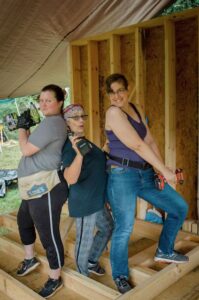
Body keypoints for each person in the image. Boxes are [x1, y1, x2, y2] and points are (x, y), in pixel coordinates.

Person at [105, 73, 189, 294]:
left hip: (145, 174)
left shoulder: (136, 108)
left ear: (128, 88)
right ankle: (120, 276)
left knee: (179, 207)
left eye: (120, 90)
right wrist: (164, 171)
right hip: (123, 175)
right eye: (111, 92)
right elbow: (137, 146)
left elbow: (149, 140)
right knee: (124, 228)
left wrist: (161, 170)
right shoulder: (113, 113)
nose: (116, 96)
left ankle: (164, 250)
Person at [16, 84, 68, 298]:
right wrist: (27, 129)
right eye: (42, 100)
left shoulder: (54, 122)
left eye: (49, 100)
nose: (43, 104)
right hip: (32, 186)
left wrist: (20, 128)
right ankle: (30, 259)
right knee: (23, 221)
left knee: (48, 234)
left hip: (45, 187)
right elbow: (33, 145)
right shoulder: (48, 123)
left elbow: (26, 149)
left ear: (60, 103)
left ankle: (55, 277)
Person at [62, 104, 113, 277]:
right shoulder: (70, 146)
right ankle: (82, 275)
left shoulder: (82, 140)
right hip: (85, 202)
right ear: (67, 123)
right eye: (75, 118)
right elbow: (70, 178)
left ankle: (91, 261)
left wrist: (105, 148)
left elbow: (95, 162)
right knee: (84, 241)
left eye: (82, 116)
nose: (81, 120)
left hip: (97, 199)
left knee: (107, 228)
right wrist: (78, 155)